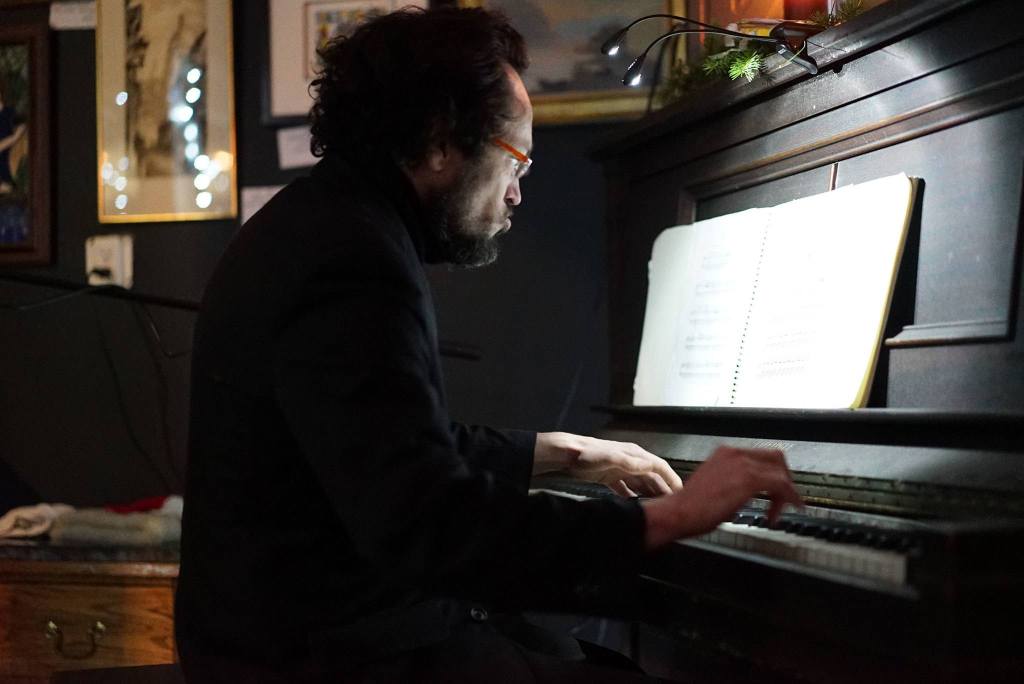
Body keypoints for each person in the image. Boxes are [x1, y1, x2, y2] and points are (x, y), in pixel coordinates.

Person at [174, 7, 802, 682]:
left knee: (579, 655)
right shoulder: (353, 262)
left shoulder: (324, 224)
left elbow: (384, 446)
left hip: (297, 636)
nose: (518, 194)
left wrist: (565, 454)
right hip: (328, 656)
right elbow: (429, 523)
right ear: (442, 142)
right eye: (517, 159)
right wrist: (668, 518)